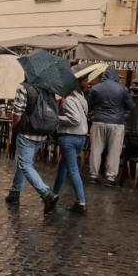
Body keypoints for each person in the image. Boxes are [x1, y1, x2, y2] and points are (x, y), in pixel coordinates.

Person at [6, 78, 59, 212]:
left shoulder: (24, 88)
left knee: (25, 164)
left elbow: (17, 113)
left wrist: (14, 126)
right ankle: (14, 193)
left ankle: (46, 193)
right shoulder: (48, 89)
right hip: (42, 132)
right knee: (24, 161)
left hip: (27, 132)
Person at [87, 67, 133, 186]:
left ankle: (93, 175)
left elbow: (89, 105)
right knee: (114, 151)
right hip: (116, 123)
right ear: (115, 76)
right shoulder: (123, 89)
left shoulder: (95, 88)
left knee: (96, 150)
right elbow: (131, 105)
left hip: (98, 121)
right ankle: (110, 178)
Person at [53, 75, 90, 213]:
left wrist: (56, 118)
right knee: (63, 167)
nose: (88, 83)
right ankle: (53, 194)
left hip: (69, 137)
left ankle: (81, 202)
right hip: (80, 137)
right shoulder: (81, 98)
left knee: (73, 170)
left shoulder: (69, 99)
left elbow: (74, 119)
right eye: (86, 80)